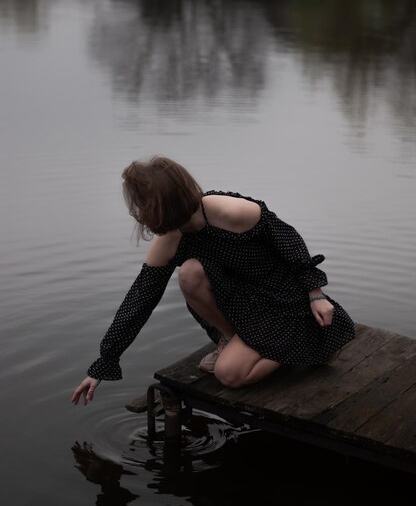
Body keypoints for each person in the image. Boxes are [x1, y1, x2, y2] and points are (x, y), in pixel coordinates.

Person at [71, 156, 355, 406]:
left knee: (228, 374)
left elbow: (290, 242)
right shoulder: (169, 240)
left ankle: (309, 340)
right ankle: (232, 340)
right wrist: (103, 363)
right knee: (189, 273)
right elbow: (139, 301)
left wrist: (315, 294)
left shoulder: (231, 212)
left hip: (283, 299)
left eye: (146, 207)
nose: (142, 215)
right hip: (244, 303)